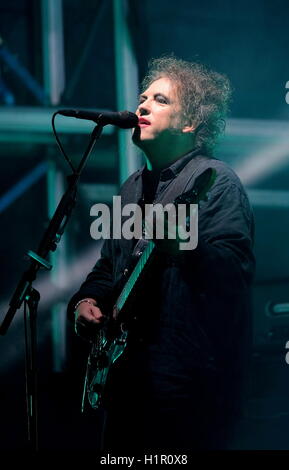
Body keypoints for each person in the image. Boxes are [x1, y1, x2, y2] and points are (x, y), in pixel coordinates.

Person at [67, 56, 255, 453]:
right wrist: (86, 301)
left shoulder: (215, 181)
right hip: (124, 380)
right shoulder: (131, 188)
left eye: (160, 100)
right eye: (142, 98)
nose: (142, 107)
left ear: (190, 123)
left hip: (184, 385)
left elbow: (234, 274)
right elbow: (108, 267)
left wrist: (183, 248)